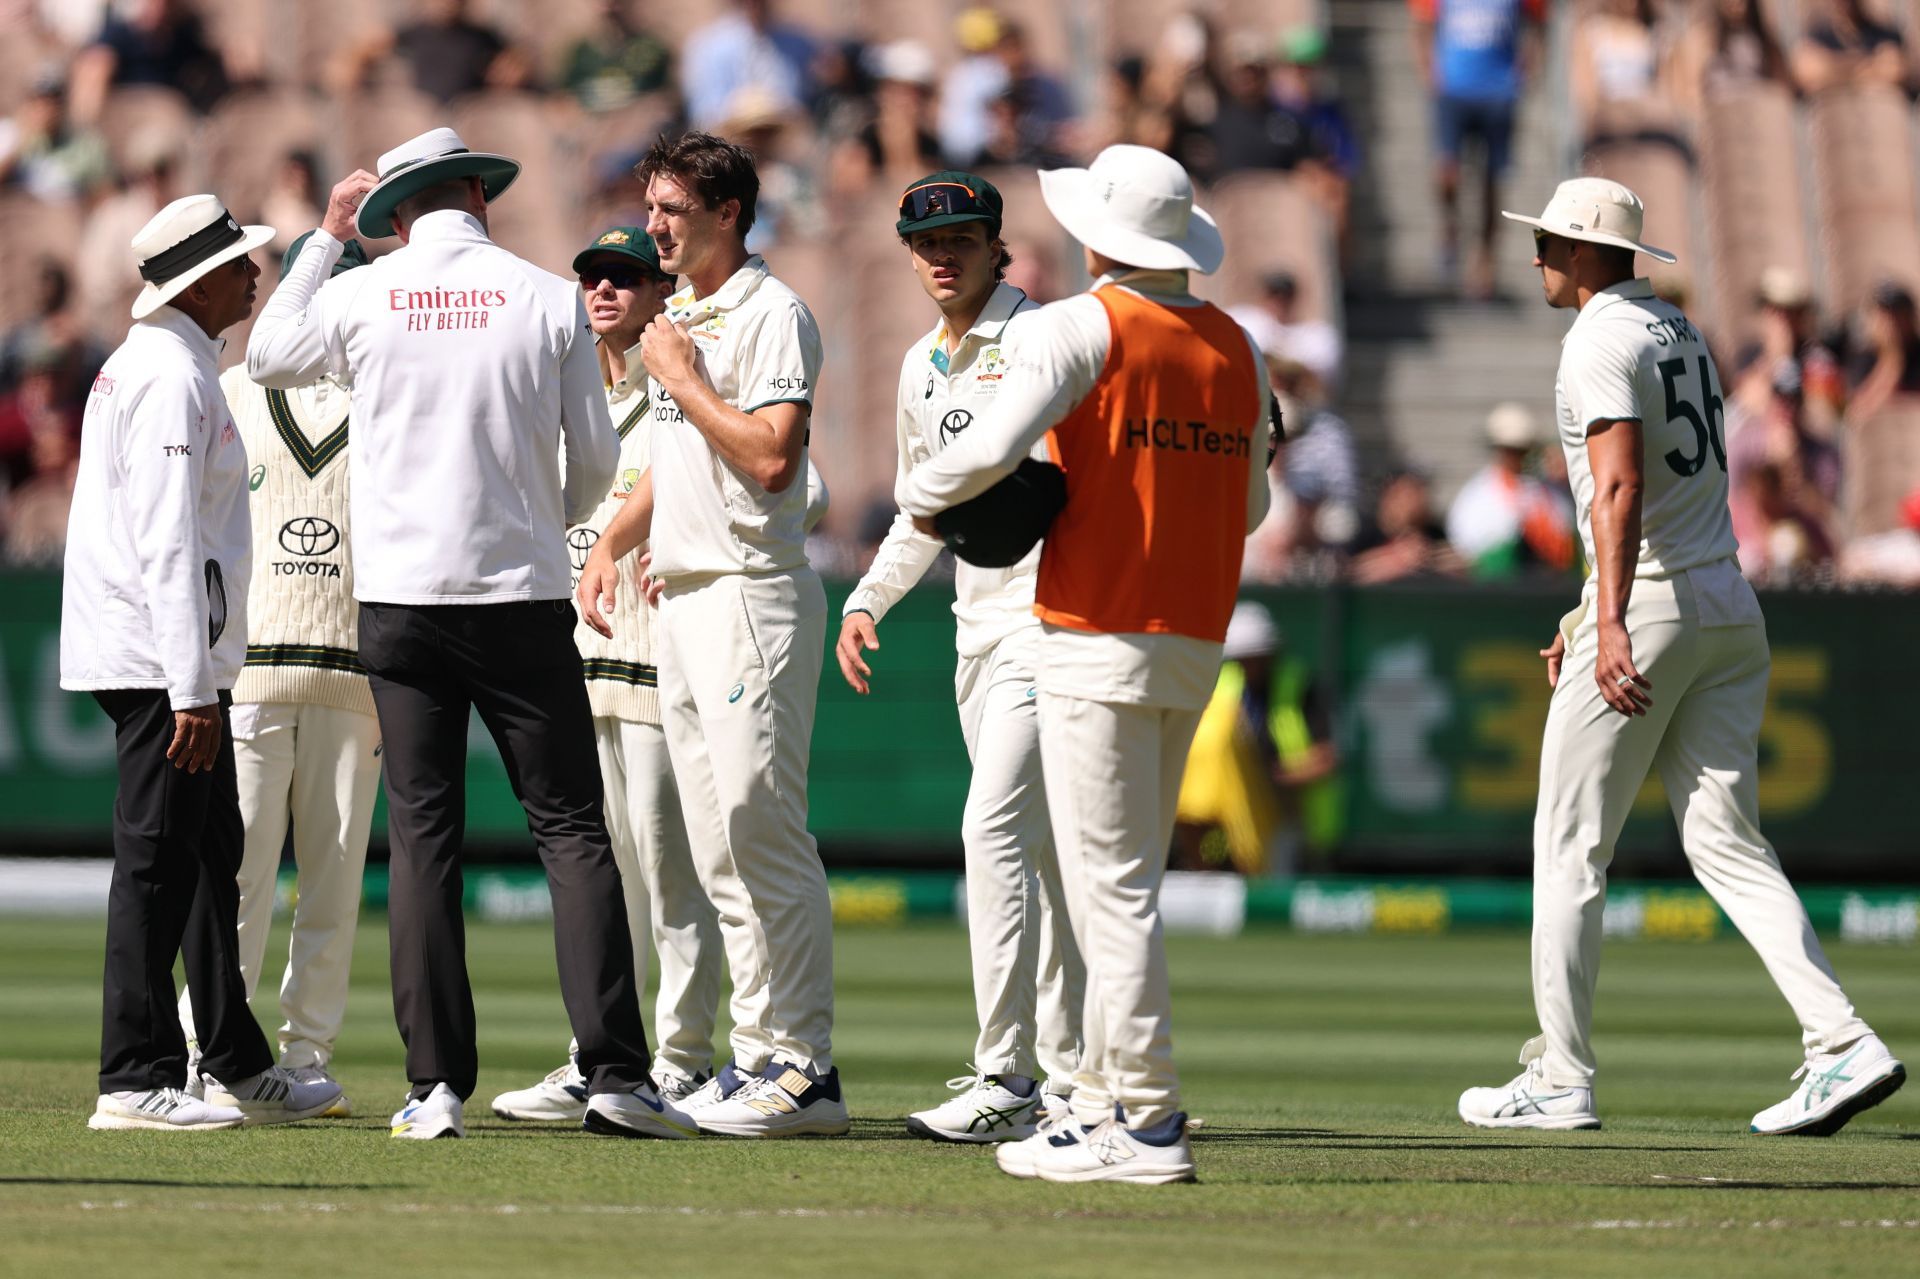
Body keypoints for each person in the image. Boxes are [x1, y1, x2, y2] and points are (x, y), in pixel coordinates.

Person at [247, 128, 692, 1143]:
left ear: (399, 211)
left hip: (401, 601)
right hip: (519, 594)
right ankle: (618, 1074)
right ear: (478, 201)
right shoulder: (542, 295)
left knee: (423, 840)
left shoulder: (364, 290)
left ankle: (433, 1085)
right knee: (573, 832)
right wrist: (535, 518)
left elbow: (269, 354)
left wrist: (323, 240)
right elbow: (592, 460)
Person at [1459, 177, 1904, 1135]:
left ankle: (1561, 1074)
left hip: (1655, 605)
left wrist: (1610, 618)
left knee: (1568, 840)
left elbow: (1618, 489)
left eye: (1546, 242)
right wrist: (1591, 611)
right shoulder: (1677, 329)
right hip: (1726, 602)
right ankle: (1840, 1040)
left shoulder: (1597, 340)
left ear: (1581, 254)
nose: (1536, 255)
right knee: (1726, 841)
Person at [896, 145, 1274, 1183]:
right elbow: (1254, 508)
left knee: (1106, 888)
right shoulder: (1240, 347)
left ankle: (1146, 1122)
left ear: (1100, 235)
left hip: (1094, 626)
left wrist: (919, 494)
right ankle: (1102, 1099)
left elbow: (988, 448)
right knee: (1122, 881)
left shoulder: (1081, 323)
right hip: (1195, 632)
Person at [575, 131, 845, 1138]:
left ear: (729, 213)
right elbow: (672, 463)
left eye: (671, 211)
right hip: (682, 599)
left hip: (749, 594)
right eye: (649, 207)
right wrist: (613, 541)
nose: (653, 228)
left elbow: (775, 459)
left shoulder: (772, 313)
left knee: (759, 826)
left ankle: (806, 1067)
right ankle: (756, 1056)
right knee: (719, 844)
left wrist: (683, 377)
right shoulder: (682, 313)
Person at [61, 193, 343, 1131]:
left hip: (173, 658)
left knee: (211, 856)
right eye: (243, 261)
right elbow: (169, 540)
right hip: (159, 663)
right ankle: (133, 1076)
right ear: (204, 279)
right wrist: (191, 685)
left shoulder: (169, 365)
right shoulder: (171, 377)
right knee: (156, 863)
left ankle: (230, 1056)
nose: (256, 272)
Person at [834, 171, 1086, 1143]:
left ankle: (1005, 1075)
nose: (944, 256)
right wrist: (866, 598)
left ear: (996, 247)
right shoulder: (917, 366)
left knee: (993, 833)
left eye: (963, 239)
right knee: (1043, 858)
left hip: (1047, 623)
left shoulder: (1040, 341)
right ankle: (1068, 1078)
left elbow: (1061, 487)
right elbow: (923, 510)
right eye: (928, 243)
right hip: (973, 635)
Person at [492, 226, 726, 1120]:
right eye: (591, 275)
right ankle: (602, 1053)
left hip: (659, 652)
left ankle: (682, 1057)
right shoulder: (562, 389)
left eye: (626, 276)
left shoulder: (684, 377)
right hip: (575, 658)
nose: (603, 289)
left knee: (668, 870)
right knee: (603, 873)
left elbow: (788, 483)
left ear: (659, 292)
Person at [172, 232, 379, 1120]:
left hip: (357, 669)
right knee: (238, 876)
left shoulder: (393, 391)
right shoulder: (227, 391)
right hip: (251, 667)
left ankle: (304, 1057)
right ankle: (205, 1052)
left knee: (332, 882)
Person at [1411, 0, 1546, 299]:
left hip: (1499, 93)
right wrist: (1429, 73)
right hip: (1454, 91)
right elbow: (1421, 24)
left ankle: (1484, 266)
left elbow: (1538, 22)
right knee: (1446, 172)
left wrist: (1528, 69)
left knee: (1492, 183)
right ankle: (1450, 226)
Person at [1445, 402, 1576, 578]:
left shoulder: (1549, 493)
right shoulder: (1477, 496)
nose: (1518, 457)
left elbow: (1566, 544)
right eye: (1511, 450)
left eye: (1522, 450)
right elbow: (1467, 553)